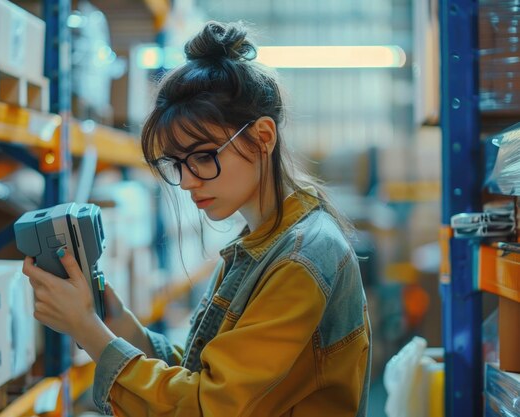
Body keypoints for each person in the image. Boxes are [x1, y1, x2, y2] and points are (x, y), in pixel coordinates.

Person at [24, 20, 371, 417]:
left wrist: (88, 330)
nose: (187, 182)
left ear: (263, 137)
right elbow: (206, 373)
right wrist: (117, 322)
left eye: (204, 157)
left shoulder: (300, 261)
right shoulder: (265, 243)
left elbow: (207, 406)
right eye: (177, 163)